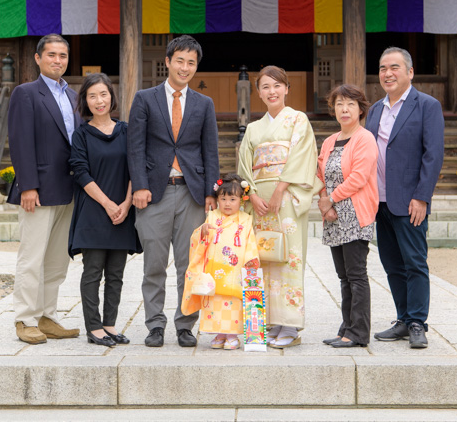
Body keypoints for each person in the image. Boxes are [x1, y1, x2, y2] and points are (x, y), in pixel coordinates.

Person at [127, 35, 220, 348]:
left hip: (192, 194)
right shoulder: (145, 98)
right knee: (154, 265)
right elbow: (135, 147)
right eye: (179, 60)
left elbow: (210, 150)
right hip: (154, 193)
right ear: (167, 61)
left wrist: (211, 193)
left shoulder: (204, 104)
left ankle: (185, 325)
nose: (185, 67)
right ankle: (155, 325)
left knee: (189, 265)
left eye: (191, 63)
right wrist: (140, 186)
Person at [365, 47, 444, 349]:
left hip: (410, 201)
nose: (388, 73)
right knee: (392, 264)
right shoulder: (375, 109)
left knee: (415, 262)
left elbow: (433, 155)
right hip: (380, 201)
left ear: (410, 72)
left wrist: (422, 197)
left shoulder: (427, 105)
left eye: (394, 67)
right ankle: (402, 318)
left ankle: (417, 323)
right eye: (383, 68)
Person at [237, 65, 320, 349]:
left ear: (286, 88)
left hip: (286, 200)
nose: (271, 91)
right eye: (265, 87)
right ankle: (271, 321)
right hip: (260, 201)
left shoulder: (298, 120)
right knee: (264, 258)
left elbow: (302, 156)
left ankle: (291, 325)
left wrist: (280, 190)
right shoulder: (253, 128)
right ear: (258, 93)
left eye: (277, 86)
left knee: (289, 257)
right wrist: (251, 196)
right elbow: (244, 166)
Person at [7, 34, 82, 345]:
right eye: (51, 55)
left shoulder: (74, 96)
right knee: (32, 258)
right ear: (38, 58)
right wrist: (28, 186)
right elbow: (20, 141)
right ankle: (25, 319)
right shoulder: (26, 93)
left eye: (63, 55)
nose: (57, 60)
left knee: (56, 260)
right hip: (37, 191)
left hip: (69, 188)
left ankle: (47, 316)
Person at [68, 73, 141, 348]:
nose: (99, 101)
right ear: (85, 101)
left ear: (111, 96)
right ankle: (94, 327)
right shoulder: (81, 134)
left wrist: (126, 203)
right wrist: (108, 204)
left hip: (123, 210)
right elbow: (81, 173)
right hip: (94, 210)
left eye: (103, 94)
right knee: (92, 271)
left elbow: (136, 167)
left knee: (116, 274)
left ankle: (109, 324)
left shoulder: (127, 130)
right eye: (92, 96)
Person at [316, 84, 379, 348]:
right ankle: (346, 328)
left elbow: (358, 178)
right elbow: (320, 174)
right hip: (333, 217)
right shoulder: (330, 141)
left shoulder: (365, 139)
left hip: (355, 215)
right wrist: (325, 203)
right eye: (339, 103)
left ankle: (358, 333)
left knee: (356, 275)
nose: (345, 109)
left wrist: (330, 199)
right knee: (343, 277)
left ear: (360, 109)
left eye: (351, 104)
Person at [181, 174, 260, 350]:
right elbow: (199, 239)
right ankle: (219, 334)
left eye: (232, 199)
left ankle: (232, 335)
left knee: (233, 302)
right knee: (215, 301)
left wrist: (251, 259)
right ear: (217, 199)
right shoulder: (212, 216)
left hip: (235, 270)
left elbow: (250, 242)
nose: (227, 204)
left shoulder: (245, 219)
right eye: (223, 199)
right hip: (214, 268)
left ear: (242, 200)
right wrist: (202, 230)